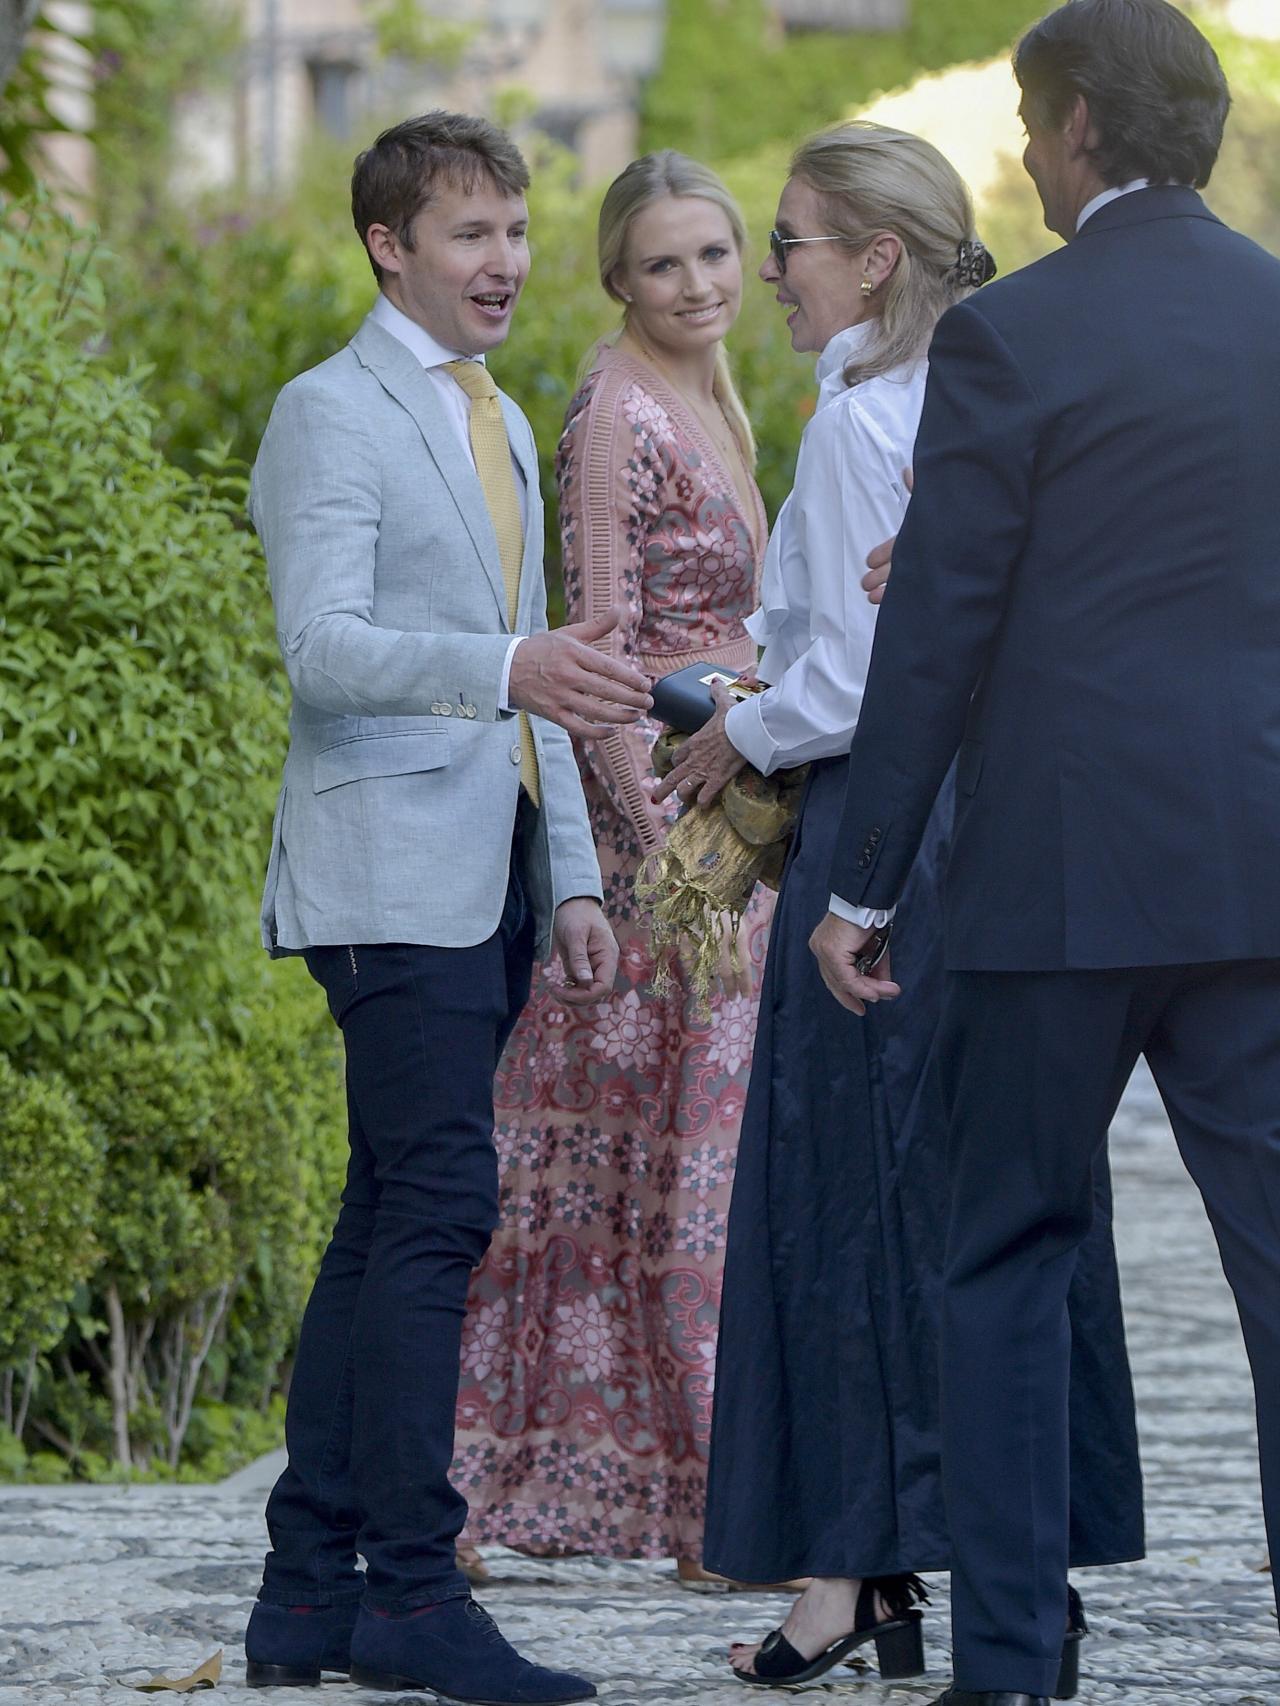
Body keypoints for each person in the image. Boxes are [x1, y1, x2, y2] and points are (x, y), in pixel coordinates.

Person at [810, 5, 1280, 1704]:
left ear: (1078, 126)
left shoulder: (1013, 334)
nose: (1021, 152)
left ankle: (1013, 1663)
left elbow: (936, 626)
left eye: (1031, 122)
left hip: (1058, 880)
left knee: (1004, 1252)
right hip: (1259, 870)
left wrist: (860, 883)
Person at [656, 120, 1142, 1695]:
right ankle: (973, 1568)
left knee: (856, 1207)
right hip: (984, 825)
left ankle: (858, 1567)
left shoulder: (871, 414)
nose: (768, 271)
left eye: (787, 241)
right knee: (984, 1195)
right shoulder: (967, 393)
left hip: (888, 829)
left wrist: (745, 719)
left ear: (873, 258)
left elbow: (869, 669)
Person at [241, 111, 657, 1705]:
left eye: (515, 230)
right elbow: (323, 647)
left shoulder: (484, 411)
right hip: (381, 879)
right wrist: (504, 668)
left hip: (485, 873)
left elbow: (538, 658)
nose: (506, 261)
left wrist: (567, 883)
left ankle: (304, 1591)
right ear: (388, 247)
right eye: (470, 233)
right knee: (437, 1214)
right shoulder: (327, 414)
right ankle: (412, 1592)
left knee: (382, 1222)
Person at [451, 150, 775, 1582]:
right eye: (664, 263)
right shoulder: (612, 414)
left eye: (715, 255)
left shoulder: (711, 391)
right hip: (663, 870)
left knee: (677, 1192)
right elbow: (598, 665)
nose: (697, 284)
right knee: (608, 1195)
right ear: (618, 278)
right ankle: (474, 1491)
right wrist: (673, 868)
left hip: (727, 834)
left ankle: (703, 1501)